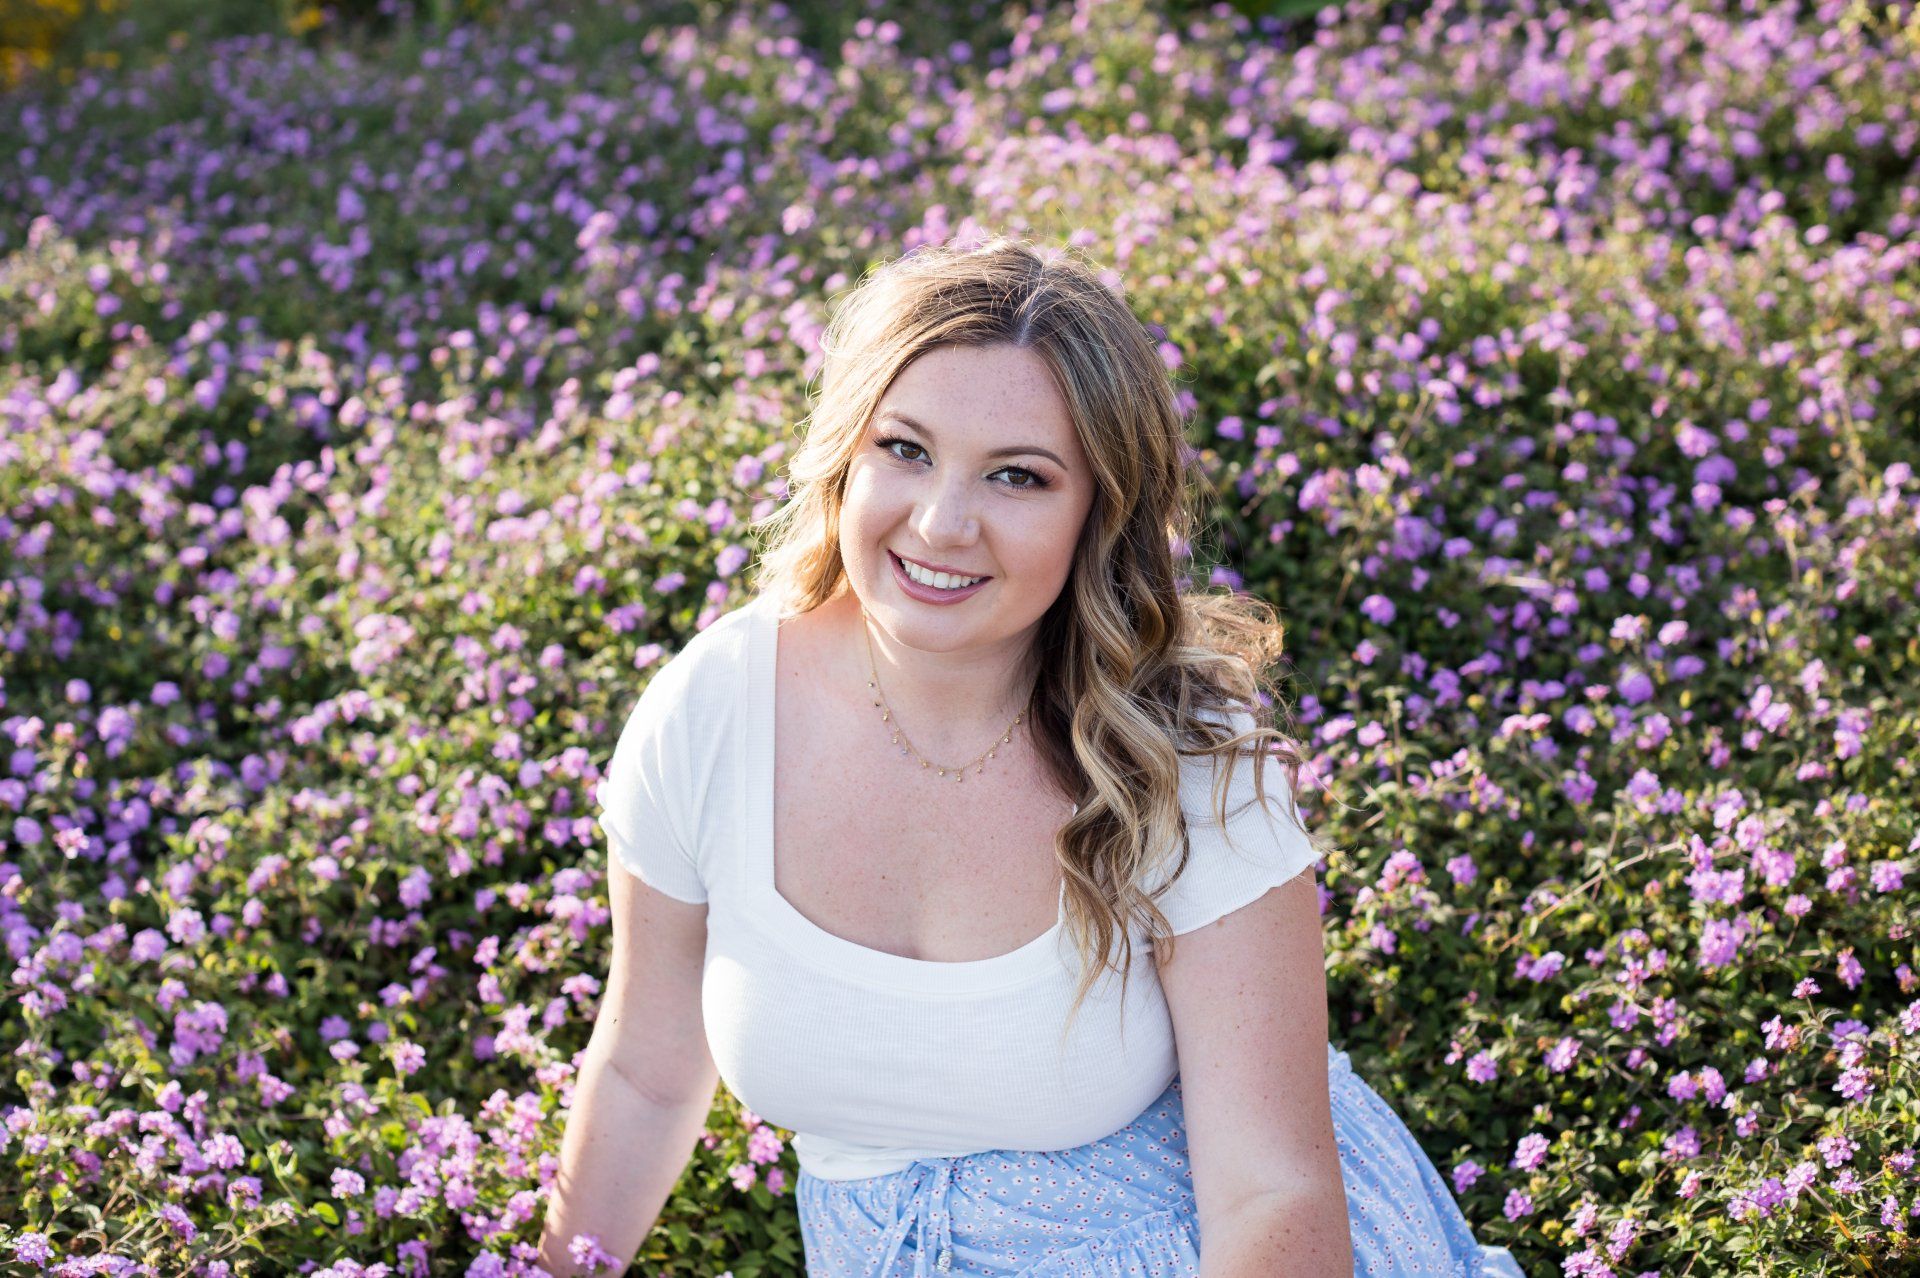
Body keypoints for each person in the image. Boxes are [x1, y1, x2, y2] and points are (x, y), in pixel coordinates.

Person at [539, 236, 1526, 1277]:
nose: (942, 523)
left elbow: (1270, 1188)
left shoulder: (1183, 758)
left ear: (1098, 517)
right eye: (905, 450)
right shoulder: (714, 713)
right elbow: (648, 1075)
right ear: (843, 455)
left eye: (1018, 476)